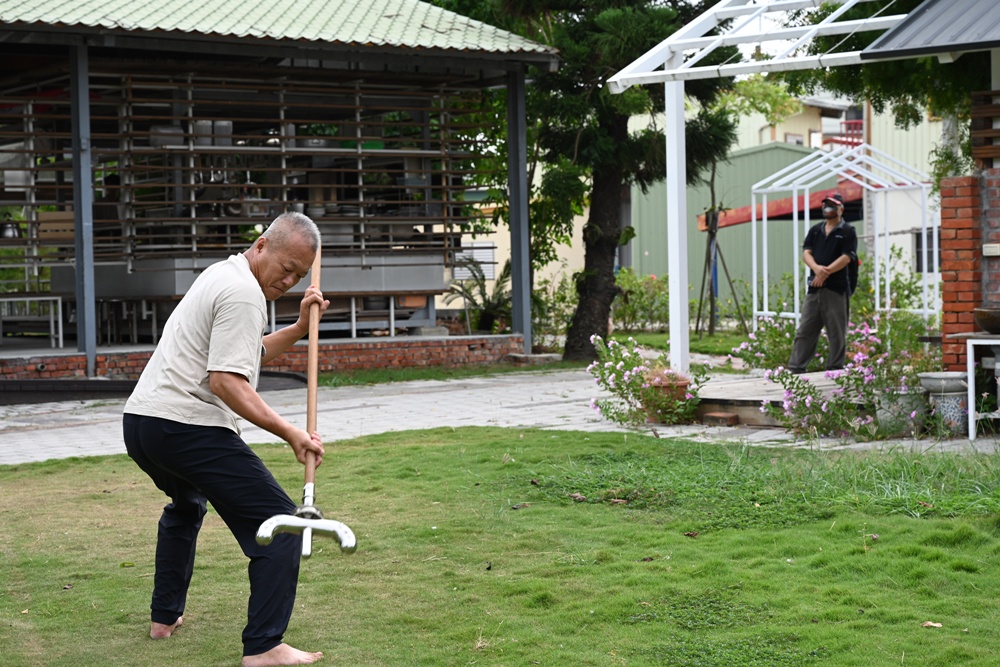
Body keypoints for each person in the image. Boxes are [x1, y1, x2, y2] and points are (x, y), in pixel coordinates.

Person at [122, 212, 331, 667]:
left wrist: (297, 329)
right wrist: (291, 432)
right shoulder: (244, 293)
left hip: (143, 424)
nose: (290, 280)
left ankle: (164, 618)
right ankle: (264, 647)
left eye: (299, 274)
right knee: (281, 525)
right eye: (287, 267)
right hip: (185, 426)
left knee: (186, 505)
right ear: (261, 245)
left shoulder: (223, 274)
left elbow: (246, 352)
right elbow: (226, 382)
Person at [786, 192, 858, 374]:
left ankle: (835, 368)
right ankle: (795, 367)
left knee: (836, 331)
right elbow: (806, 253)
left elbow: (846, 257)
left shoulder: (848, 231)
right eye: (826, 205)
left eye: (833, 205)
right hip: (815, 287)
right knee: (805, 329)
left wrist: (825, 272)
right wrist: (817, 269)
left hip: (836, 288)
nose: (828, 208)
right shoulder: (816, 230)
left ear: (841, 208)